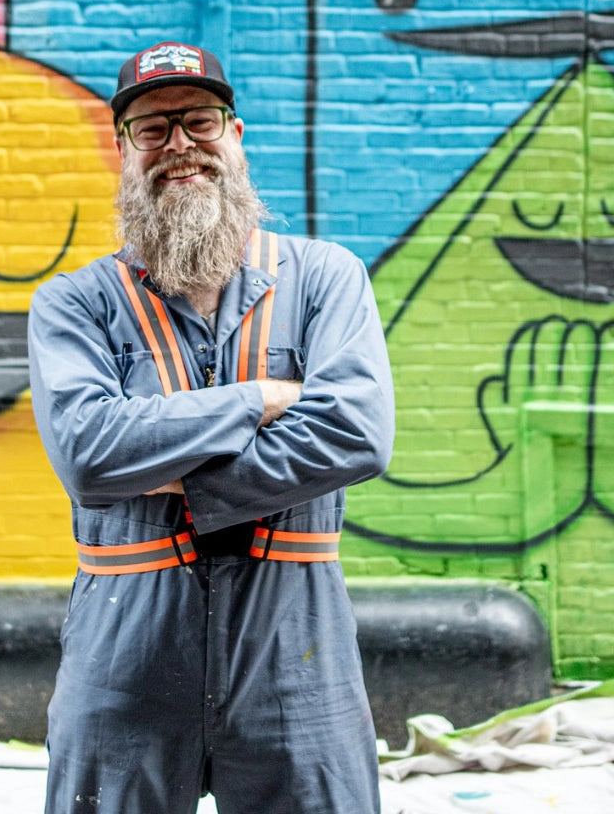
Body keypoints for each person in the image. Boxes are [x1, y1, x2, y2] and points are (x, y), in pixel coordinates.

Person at [27, 41, 394, 814]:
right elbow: (90, 455)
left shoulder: (326, 278)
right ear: (124, 150)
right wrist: (259, 399)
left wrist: (172, 469)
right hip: (123, 652)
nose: (179, 147)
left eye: (199, 121)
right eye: (152, 130)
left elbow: (356, 432)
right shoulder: (74, 303)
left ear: (235, 134)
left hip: (296, 647)